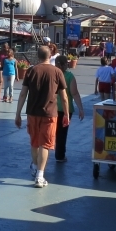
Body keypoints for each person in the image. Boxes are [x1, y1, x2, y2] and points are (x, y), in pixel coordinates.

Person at [15, 46, 68, 188]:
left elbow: (22, 94)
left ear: (37, 56)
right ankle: (40, 175)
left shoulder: (31, 71)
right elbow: (64, 97)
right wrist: (67, 114)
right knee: (45, 144)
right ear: (50, 55)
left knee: (34, 142)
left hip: (32, 112)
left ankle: (35, 166)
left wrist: (18, 113)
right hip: (50, 114)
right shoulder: (57, 72)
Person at [55, 54, 84, 165]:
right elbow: (74, 93)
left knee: (51, 132)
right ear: (65, 64)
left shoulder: (52, 74)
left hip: (52, 108)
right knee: (62, 134)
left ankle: (43, 155)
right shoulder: (69, 76)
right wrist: (81, 108)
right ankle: (60, 155)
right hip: (65, 109)